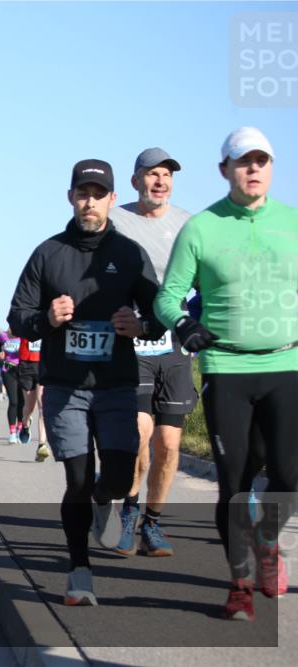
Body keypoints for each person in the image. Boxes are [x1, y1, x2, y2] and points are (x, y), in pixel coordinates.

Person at [8, 159, 166, 607]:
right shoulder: (48, 253)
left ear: (113, 199)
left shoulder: (129, 253)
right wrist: (45, 318)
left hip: (116, 383)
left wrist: (139, 324)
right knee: (76, 479)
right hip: (65, 386)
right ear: (71, 197)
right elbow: (17, 317)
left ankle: (105, 500)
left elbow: (159, 314)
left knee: (116, 478)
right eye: (83, 193)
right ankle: (80, 572)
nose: (90, 201)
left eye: (99, 193)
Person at [155, 127, 298, 621]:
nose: (253, 169)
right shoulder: (203, 228)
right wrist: (184, 323)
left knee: (289, 475)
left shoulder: (292, 223)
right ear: (225, 169)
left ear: (272, 167)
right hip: (227, 367)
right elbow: (167, 297)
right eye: (243, 161)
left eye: (262, 160)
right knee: (234, 482)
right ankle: (239, 583)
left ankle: (266, 540)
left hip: (286, 363)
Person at [110, 147, 198, 558]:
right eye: (151, 174)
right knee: (139, 434)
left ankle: (154, 523)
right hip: (131, 341)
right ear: (135, 181)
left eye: (166, 175)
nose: (160, 181)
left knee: (168, 444)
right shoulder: (116, 220)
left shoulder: (189, 224)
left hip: (174, 341)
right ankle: (128, 511)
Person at [18, 337, 51, 462]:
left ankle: (41, 445)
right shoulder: (25, 318)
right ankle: (25, 424)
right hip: (26, 364)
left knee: (42, 405)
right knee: (29, 408)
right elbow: (11, 331)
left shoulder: (48, 318)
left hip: (43, 363)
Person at [0, 328, 24, 443]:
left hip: (24, 370)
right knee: (13, 401)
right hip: (8, 369)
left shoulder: (24, 333)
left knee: (22, 402)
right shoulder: (4, 335)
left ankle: (20, 428)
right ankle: (12, 433)